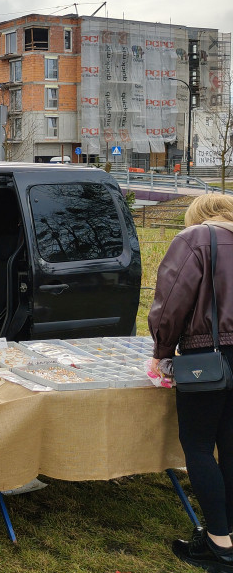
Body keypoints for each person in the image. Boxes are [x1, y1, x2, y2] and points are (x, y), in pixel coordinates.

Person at [149, 194, 233, 571]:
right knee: (231, 448)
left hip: (209, 358)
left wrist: (162, 351)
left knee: (198, 447)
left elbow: (171, 301)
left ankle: (218, 543)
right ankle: (228, 534)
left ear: (197, 214)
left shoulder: (197, 238)